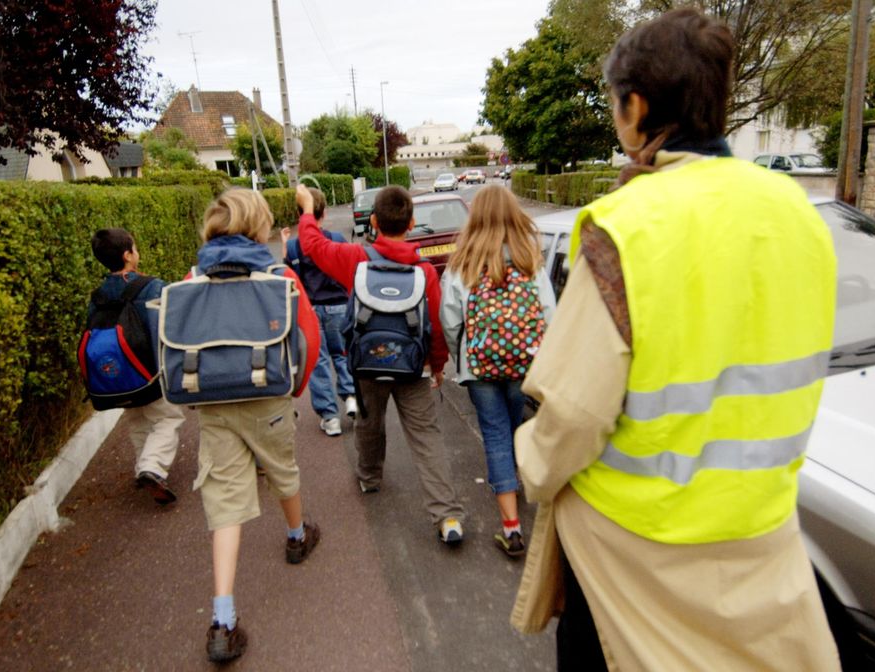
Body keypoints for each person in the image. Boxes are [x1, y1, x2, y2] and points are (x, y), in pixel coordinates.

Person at [510, 9, 841, 671]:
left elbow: (572, 413)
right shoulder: (796, 212)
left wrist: (531, 462)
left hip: (633, 559)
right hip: (759, 541)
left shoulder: (625, 224)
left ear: (635, 105)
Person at [190, 189, 322, 663]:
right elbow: (307, 339)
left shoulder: (192, 277)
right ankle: (295, 537)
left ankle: (223, 616)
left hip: (214, 402)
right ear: (258, 225)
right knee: (282, 469)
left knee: (224, 499)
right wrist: (295, 389)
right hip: (268, 393)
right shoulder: (279, 275)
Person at [296, 183, 467, 545]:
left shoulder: (356, 259)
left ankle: (369, 478)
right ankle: (448, 516)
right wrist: (436, 367)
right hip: (413, 367)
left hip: (367, 366)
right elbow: (434, 327)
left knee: (370, 426)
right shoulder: (424, 271)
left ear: (373, 221)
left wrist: (308, 209)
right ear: (412, 222)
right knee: (426, 437)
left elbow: (312, 245)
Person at [439, 185, 556, 557]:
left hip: (480, 366)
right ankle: (521, 484)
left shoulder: (462, 264)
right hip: (525, 362)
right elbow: (549, 315)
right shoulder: (529, 258)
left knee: (495, 435)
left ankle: (511, 527)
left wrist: (464, 357)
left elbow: (451, 320)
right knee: (518, 425)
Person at [88, 228, 186, 505]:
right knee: (167, 418)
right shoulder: (152, 287)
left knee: (137, 419)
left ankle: (143, 465)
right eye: (135, 248)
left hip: (120, 375)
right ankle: (152, 467)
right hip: (151, 371)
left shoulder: (98, 295)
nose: (137, 252)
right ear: (128, 255)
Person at [284, 186, 357, 437]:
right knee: (343, 355)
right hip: (339, 307)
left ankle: (329, 416)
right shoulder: (336, 239)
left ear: (299, 214)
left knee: (319, 362)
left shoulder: (294, 247)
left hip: (311, 311)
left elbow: (289, 279)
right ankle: (351, 398)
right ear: (324, 213)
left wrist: (285, 249)